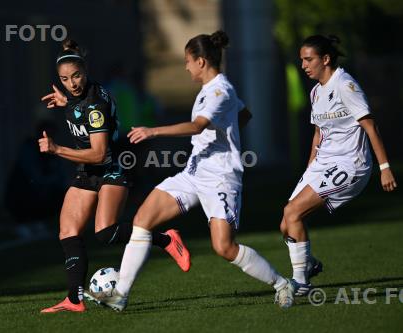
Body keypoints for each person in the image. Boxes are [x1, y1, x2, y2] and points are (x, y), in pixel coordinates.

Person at [87, 31, 296, 311]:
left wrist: (154, 131)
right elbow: (244, 115)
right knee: (143, 218)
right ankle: (121, 295)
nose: (185, 67)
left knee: (224, 247)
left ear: (201, 61)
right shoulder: (210, 91)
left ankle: (283, 284)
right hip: (194, 172)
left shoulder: (221, 90)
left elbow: (198, 126)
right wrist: (227, 134)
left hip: (221, 178)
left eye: (187, 61)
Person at [39, 39, 191, 313]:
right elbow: (78, 107)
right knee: (67, 230)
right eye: (65, 79)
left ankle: (165, 238)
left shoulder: (95, 103)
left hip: (110, 167)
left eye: (76, 76)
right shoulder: (79, 95)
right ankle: (74, 299)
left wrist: (57, 149)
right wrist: (67, 102)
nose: (72, 83)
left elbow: (98, 154)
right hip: (87, 171)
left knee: (105, 232)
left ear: (86, 71)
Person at [279, 35, 398, 296]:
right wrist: (311, 167)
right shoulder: (316, 91)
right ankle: (309, 263)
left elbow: (370, 125)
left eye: (308, 59)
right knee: (286, 223)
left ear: (326, 59)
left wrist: (385, 167)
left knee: (294, 213)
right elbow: (318, 133)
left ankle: (301, 282)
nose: (303, 65)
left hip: (350, 163)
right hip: (323, 163)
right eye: (301, 60)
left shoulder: (345, 84)